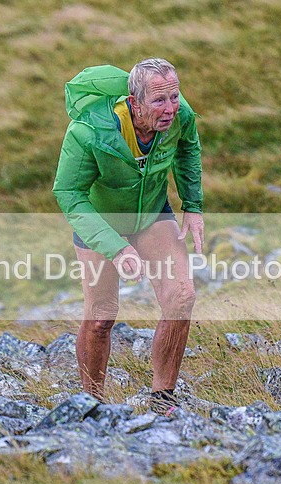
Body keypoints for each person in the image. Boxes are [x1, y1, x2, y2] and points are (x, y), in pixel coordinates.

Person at [53, 58, 204, 415]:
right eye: (159, 101)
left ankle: (163, 398)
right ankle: (92, 403)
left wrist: (193, 204)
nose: (170, 109)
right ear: (134, 103)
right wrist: (116, 248)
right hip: (101, 223)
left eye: (174, 97)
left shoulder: (180, 115)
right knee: (102, 316)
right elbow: (68, 194)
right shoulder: (88, 132)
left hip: (152, 214)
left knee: (181, 297)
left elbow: (188, 147)